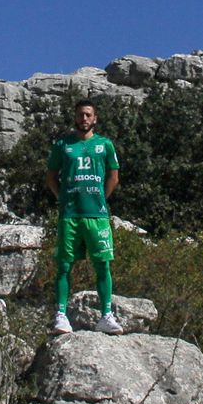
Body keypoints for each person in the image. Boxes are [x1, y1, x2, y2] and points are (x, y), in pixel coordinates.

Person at [45, 99, 124, 335]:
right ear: (75, 117)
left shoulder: (105, 145)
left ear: (95, 118)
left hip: (96, 215)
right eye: (80, 115)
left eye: (88, 115)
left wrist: (101, 198)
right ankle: (61, 315)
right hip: (70, 215)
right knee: (64, 265)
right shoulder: (62, 145)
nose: (84, 119)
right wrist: (62, 198)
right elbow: (51, 177)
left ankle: (106, 315)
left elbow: (114, 176)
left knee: (102, 264)